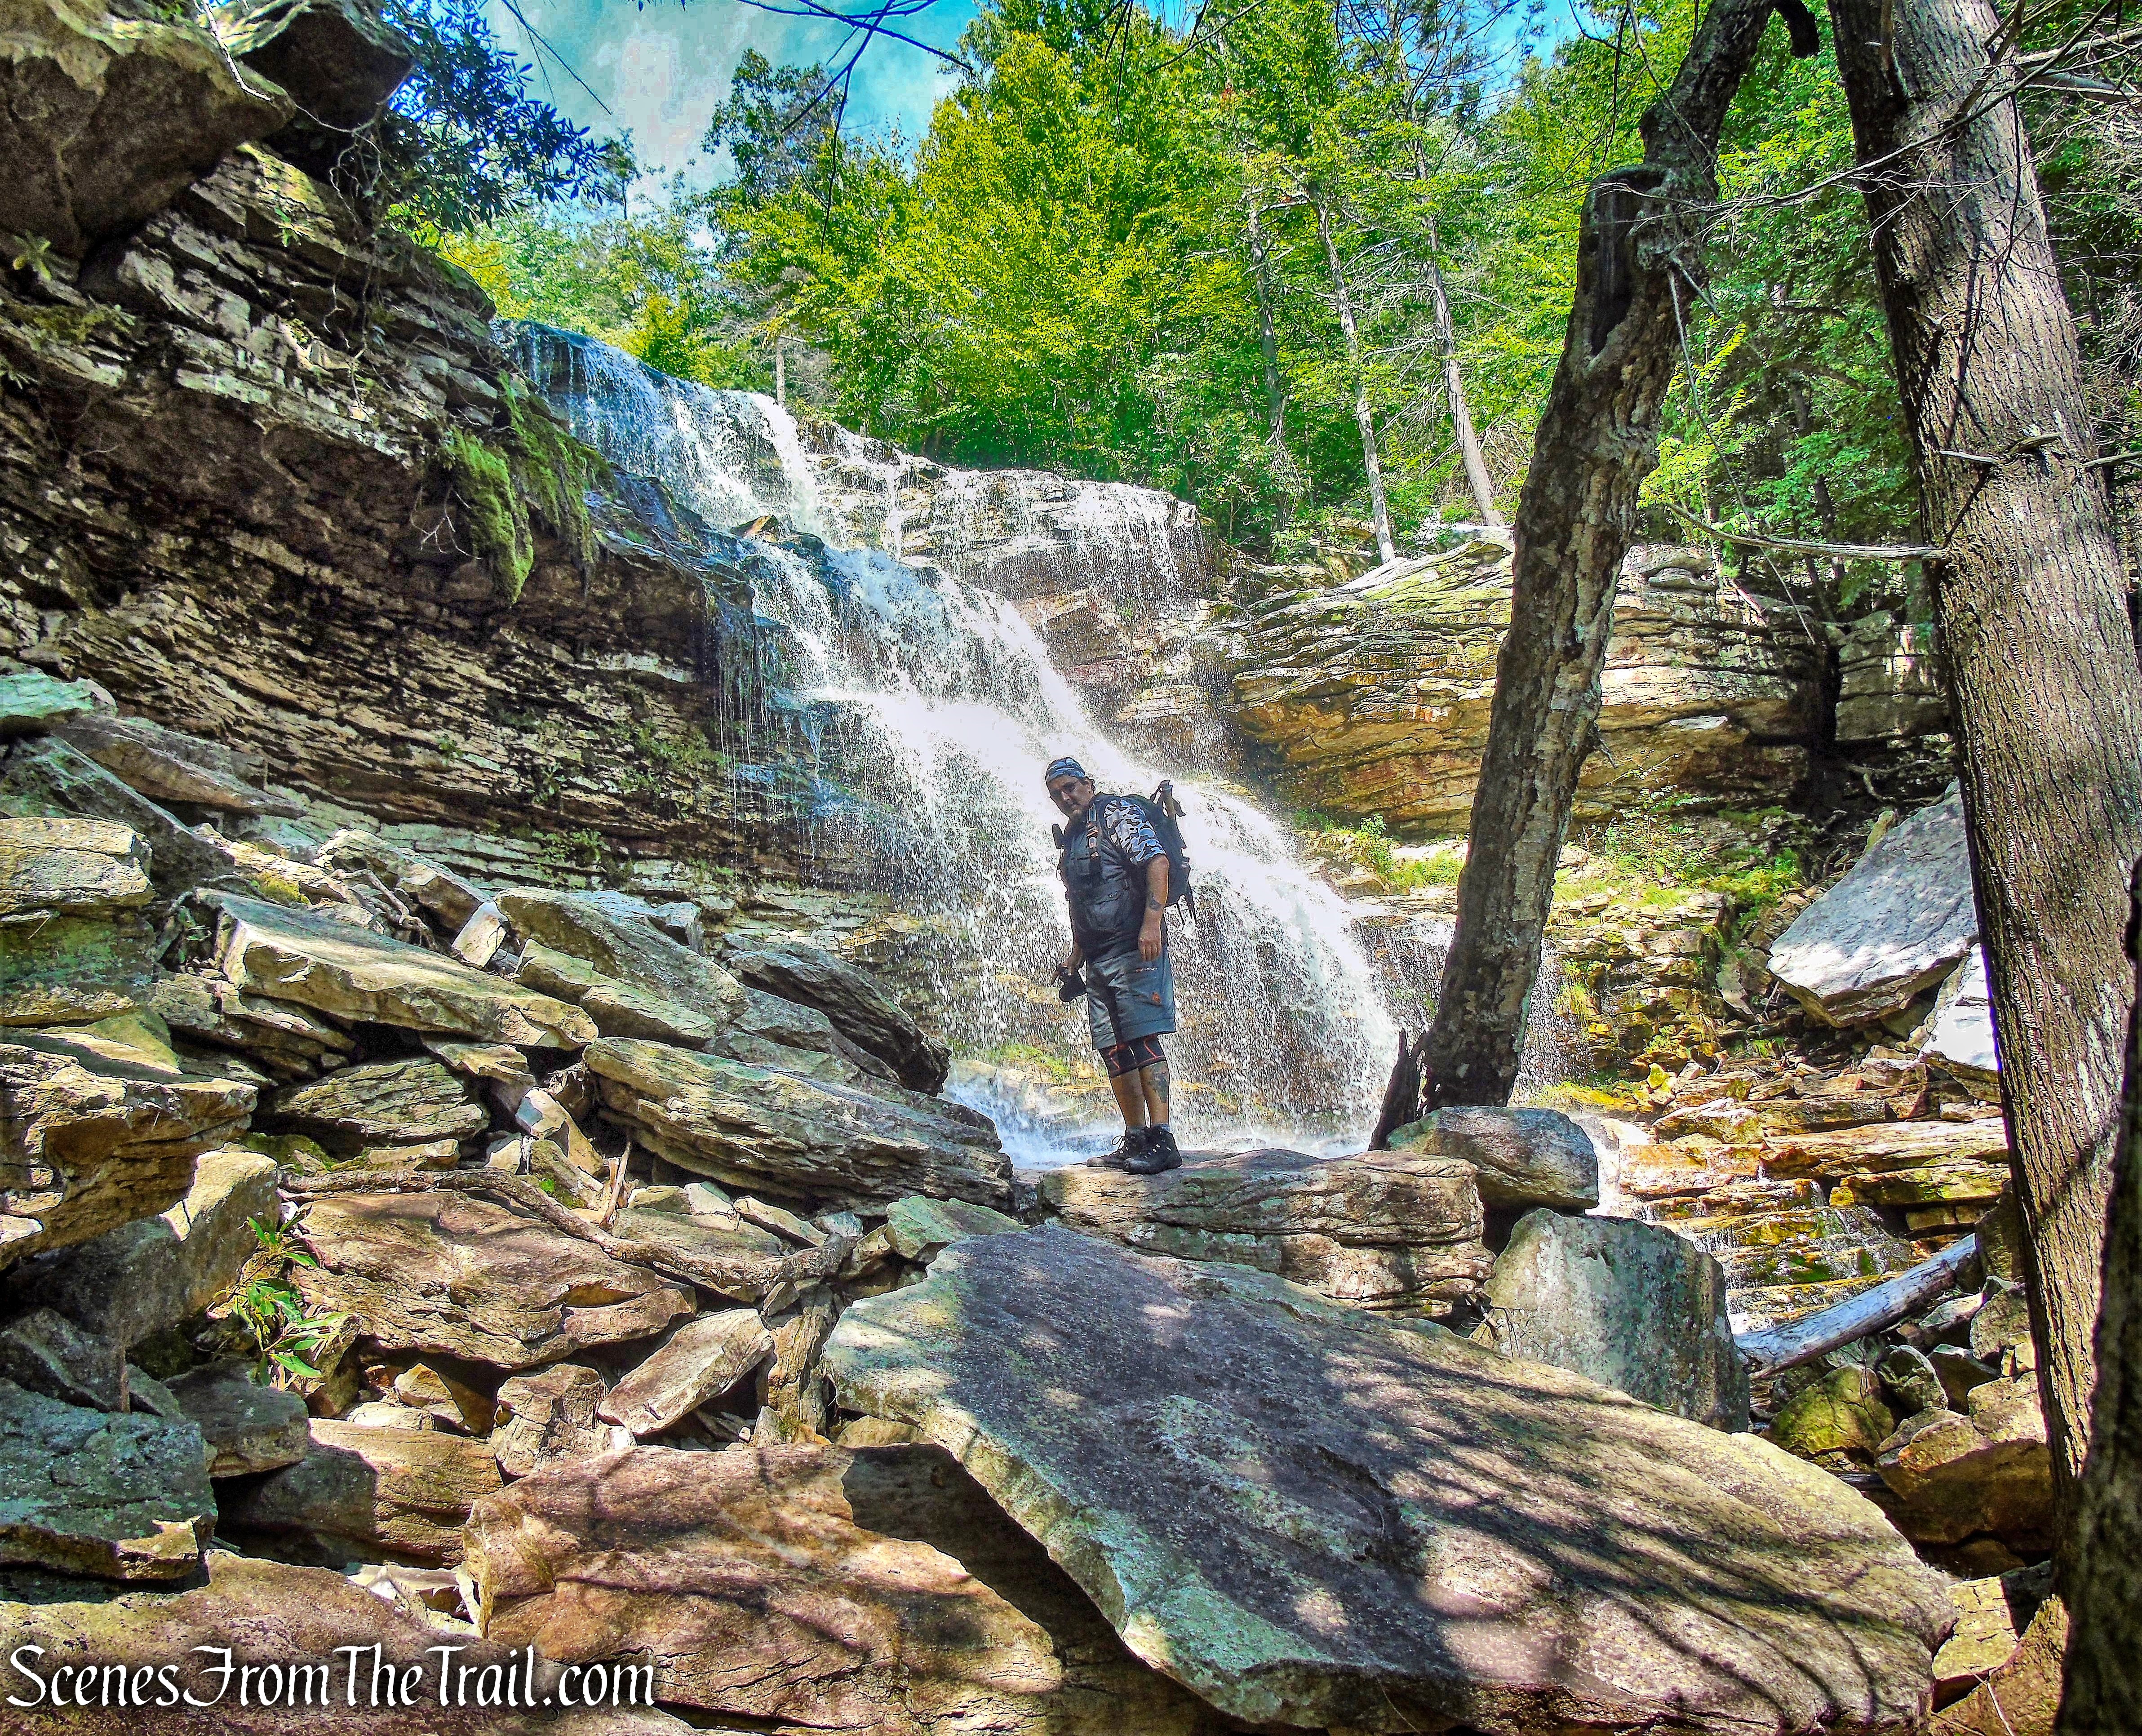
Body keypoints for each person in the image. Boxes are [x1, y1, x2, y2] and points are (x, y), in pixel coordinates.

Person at [1045, 756, 1182, 1175]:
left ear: (1088, 782)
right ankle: (1135, 1137)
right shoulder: (1071, 836)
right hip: (1098, 956)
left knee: (1142, 1039)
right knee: (1113, 1048)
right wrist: (1075, 953)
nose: (1065, 797)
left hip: (1134, 947)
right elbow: (1079, 898)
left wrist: (1152, 923)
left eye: (1070, 787)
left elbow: (1157, 861)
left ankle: (1163, 1140)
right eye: (1056, 794)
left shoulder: (1115, 812)